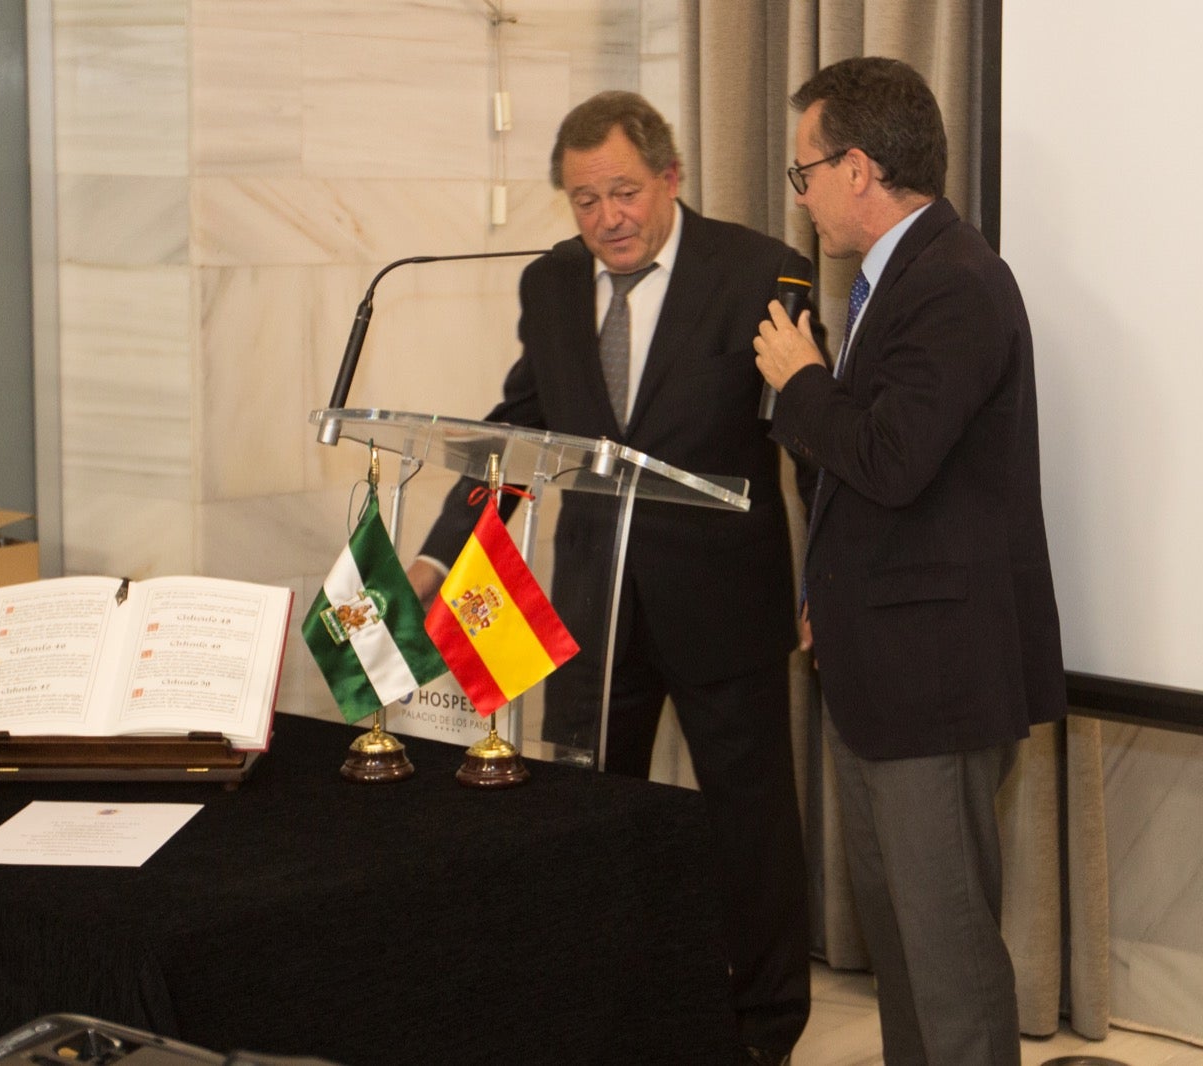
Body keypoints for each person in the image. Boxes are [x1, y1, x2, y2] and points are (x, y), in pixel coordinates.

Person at [408, 90, 812, 1065]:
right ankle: (605, 1011)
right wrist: (438, 551)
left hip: (723, 607)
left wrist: (827, 582)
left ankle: (763, 1032)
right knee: (584, 818)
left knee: (750, 829)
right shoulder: (551, 283)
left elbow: (811, 441)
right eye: (585, 200)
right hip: (595, 604)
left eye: (624, 192)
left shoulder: (759, 271)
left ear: (670, 178)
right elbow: (519, 428)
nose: (608, 219)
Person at [752, 57, 1067, 1065]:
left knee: (948, 962)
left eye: (804, 173)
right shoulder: (896, 281)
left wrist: (801, 381)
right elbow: (872, 480)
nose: (801, 199)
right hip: (880, 661)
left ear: (857, 168)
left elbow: (892, 457)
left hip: (935, 677)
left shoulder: (955, 281)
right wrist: (825, 592)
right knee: (902, 951)